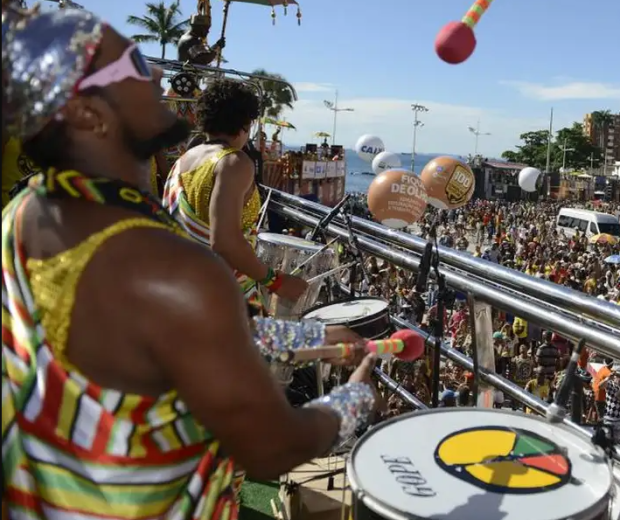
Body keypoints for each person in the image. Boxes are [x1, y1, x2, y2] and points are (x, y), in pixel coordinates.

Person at [0, 9, 376, 519]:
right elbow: (271, 444)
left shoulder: (23, 213)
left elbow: (178, 331)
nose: (157, 72)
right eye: (133, 64)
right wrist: (352, 403)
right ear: (90, 116)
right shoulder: (169, 268)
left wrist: (311, 339)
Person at [164, 78, 307, 312]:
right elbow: (224, 243)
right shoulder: (233, 162)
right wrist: (277, 281)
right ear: (245, 124)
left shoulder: (184, 160)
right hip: (217, 296)